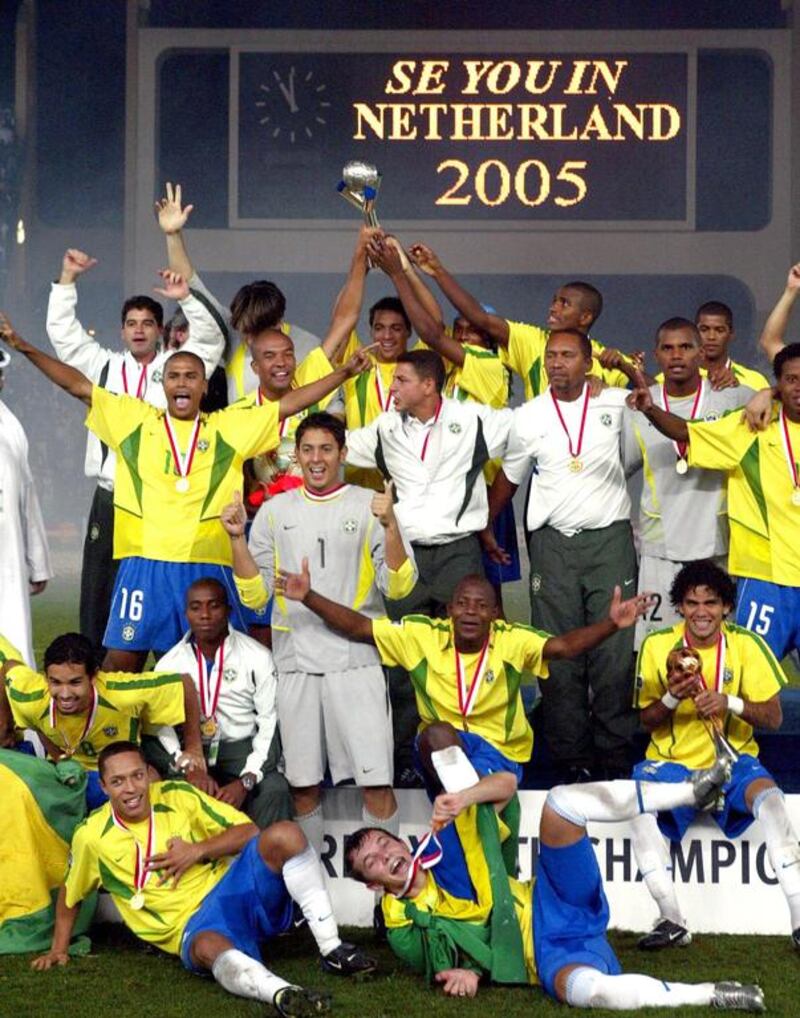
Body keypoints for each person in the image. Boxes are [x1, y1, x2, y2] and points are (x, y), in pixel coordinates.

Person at [0, 310, 372, 671]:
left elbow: (288, 404)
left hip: (208, 562)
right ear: (164, 384)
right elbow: (77, 385)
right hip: (145, 563)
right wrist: (22, 345)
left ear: (204, 385)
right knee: (122, 663)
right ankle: (116, 734)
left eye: (191, 376)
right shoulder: (134, 420)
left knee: (213, 662)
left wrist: (343, 373)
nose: (182, 383)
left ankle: (211, 731)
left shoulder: (227, 428)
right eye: (174, 376)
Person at [343, 730, 764, 1011]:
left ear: (401, 841)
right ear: (373, 885)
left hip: (553, 898)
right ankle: (712, 994)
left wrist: (465, 797)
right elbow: (438, 961)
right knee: (587, 991)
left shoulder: (443, 839)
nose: (384, 856)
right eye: (372, 863)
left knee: (562, 802)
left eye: (384, 843)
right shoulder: (402, 923)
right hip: (544, 956)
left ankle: (692, 790)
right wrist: (466, 972)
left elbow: (506, 784)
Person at [31, 741, 375, 1017]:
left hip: (233, 891)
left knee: (284, 833)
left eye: (137, 776)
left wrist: (197, 850)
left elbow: (249, 831)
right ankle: (283, 994)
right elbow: (71, 892)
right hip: (192, 927)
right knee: (207, 948)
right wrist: (59, 949)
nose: (131, 788)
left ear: (149, 774)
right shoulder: (91, 835)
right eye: (118, 781)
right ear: (103, 786)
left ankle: (332, 948)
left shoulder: (178, 796)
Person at [274, 562, 651, 800]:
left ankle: (462, 818)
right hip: (442, 753)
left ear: (495, 613)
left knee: (463, 783)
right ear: (450, 608)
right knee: (437, 733)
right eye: (464, 603)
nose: (471, 611)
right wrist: (308, 596)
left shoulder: (511, 639)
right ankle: (467, 808)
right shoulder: (422, 635)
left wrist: (611, 624)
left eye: (481, 605)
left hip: (501, 754)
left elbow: (564, 646)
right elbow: (360, 627)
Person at [223, 411, 417, 856]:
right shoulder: (273, 513)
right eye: (307, 450)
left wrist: (390, 526)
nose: (316, 459)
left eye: (326, 449)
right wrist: (236, 538)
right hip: (296, 665)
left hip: (356, 663)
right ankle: (311, 898)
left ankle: (384, 898)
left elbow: (400, 585)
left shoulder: (370, 505)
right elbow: (254, 596)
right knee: (303, 785)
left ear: (343, 454)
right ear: (296, 456)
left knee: (375, 781)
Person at [46, 244, 225, 654]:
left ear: (160, 330)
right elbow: (64, 338)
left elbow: (213, 338)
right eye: (132, 323)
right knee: (98, 592)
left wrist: (187, 300)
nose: (139, 329)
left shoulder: (181, 368)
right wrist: (68, 280)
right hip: (113, 496)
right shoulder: (104, 366)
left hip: (162, 501)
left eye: (147, 322)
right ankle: (93, 677)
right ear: (122, 331)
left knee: (164, 591)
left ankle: (175, 671)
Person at [343, 347, 512, 774]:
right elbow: (337, 448)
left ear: (428, 385)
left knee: (469, 651)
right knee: (404, 658)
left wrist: (489, 515)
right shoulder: (384, 428)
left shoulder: (473, 419)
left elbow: (530, 435)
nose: (391, 387)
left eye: (400, 381)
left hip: (459, 551)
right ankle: (405, 760)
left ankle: (475, 753)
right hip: (405, 552)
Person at [490, 329, 638, 781]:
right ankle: (571, 756)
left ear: (588, 362)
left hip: (608, 538)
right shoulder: (528, 416)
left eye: (568, 355)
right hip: (553, 545)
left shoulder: (616, 404)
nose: (557, 363)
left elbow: (654, 407)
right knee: (556, 650)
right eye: (551, 356)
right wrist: (485, 528)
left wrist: (630, 372)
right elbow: (509, 479)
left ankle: (613, 753)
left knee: (614, 650)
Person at [631, 560, 799, 952]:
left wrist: (730, 703)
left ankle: (798, 921)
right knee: (638, 809)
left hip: (733, 762)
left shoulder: (745, 644)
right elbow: (645, 721)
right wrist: (673, 695)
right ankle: (671, 919)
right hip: (673, 767)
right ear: (681, 607)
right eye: (692, 603)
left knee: (773, 804)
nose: (701, 612)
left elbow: (773, 715)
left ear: (726, 606)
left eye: (711, 603)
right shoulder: (658, 646)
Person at [366, 235, 520, 607]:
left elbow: (431, 331)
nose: (463, 337)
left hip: (480, 493)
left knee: (482, 600)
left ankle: (486, 665)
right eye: (460, 331)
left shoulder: (487, 368)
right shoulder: (444, 376)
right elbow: (433, 326)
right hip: (439, 496)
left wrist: (401, 273)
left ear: (491, 341)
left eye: (474, 332)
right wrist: (407, 269)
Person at [629, 344, 800, 662]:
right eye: (790, 380)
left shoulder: (762, 402)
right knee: (750, 674)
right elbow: (685, 432)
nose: (799, 387)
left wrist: (770, 391)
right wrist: (650, 409)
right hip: (765, 578)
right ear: (780, 382)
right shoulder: (751, 424)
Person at [622, 318, 753, 647]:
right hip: (660, 547)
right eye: (668, 348)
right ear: (656, 355)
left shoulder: (731, 397)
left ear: (700, 353)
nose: (676, 355)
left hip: (716, 545)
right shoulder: (638, 404)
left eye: (685, 347)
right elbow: (622, 467)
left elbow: (778, 396)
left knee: (718, 647)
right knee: (657, 648)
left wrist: (767, 393)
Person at [156, 181, 322, 403]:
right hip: (242, 437)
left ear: (278, 324)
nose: (249, 340)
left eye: (256, 334)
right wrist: (173, 235)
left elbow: (330, 410)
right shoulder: (232, 333)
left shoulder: (309, 346)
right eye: (245, 333)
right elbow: (190, 287)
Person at [406, 241, 637, 399]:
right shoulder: (533, 340)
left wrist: (625, 369)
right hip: (540, 462)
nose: (553, 307)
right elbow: (481, 318)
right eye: (554, 300)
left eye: (564, 303)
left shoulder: (609, 358)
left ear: (585, 317)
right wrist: (437, 271)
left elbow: (659, 397)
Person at [149, 577, 292, 829]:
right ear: (186, 614)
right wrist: (186, 767)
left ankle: (264, 860)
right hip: (193, 751)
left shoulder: (257, 657)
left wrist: (246, 781)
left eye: (213, 606)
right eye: (196, 607)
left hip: (242, 749)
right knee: (177, 791)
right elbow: (160, 727)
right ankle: (200, 862)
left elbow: (269, 723)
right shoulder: (169, 664)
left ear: (228, 610)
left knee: (274, 788)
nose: (204, 615)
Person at [0, 631, 202, 809]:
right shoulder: (31, 696)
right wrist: (4, 721)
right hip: (63, 775)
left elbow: (183, 683)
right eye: (56, 682)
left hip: (119, 773)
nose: (65, 694)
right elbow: (8, 667)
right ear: (46, 678)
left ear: (94, 676)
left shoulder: (122, 693)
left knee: (151, 784)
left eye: (75, 682)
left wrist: (194, 749)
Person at [0, 349, 52, 667]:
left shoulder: (10, 424)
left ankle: (13, 712)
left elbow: (26, 495)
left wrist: (38, 561)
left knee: (12, 636)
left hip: (9, 551)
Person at [695, 301, 769, 391]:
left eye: (720, 330)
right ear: (694, 333)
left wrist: (738, 390)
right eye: (704, 329)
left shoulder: (755, 381)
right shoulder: (681, 379)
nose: (711, 337)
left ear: (731, 334)